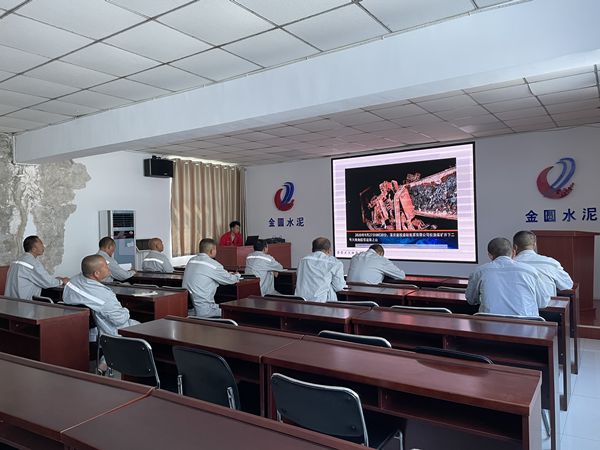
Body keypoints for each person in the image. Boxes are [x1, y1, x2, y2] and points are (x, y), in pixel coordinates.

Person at [63, 254, 140, 374]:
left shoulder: (72, 282)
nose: (108, 266)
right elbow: (119, 320)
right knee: (139, 328)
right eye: (105, 265)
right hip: (99, 332)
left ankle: (103, 364)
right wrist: (126, 310)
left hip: (79, 328)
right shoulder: (104, 295)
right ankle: (126, 368)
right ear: (96, 274)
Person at [465, 237, 549, 316]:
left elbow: (471, 300)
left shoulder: (479, 272)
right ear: (513, 253)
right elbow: (543, 303)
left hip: (490, 323)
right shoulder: (531, 271)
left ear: (490, 256)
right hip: (526, 324)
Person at [183, 238, 241, 317]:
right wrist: (236, 275)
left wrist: (224, 274)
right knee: (232, 312)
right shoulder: (213, 264)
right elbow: (231, 280)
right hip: (205, 310)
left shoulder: (191, 261)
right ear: (211, 251)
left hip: (188, 310)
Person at [5, 235, 70, 300]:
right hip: (25, 304)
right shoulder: (33, 264)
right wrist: (61, 281)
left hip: (10, 302)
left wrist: (52, 279)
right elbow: (48, 282)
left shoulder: (16, 262)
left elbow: (37, 278)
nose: (43, 247)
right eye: (41, 244)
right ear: (33, 249)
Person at [512, 230, 573, 297]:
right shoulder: (550, 263)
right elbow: (568, 284)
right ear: (534, 245)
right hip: (548, 303)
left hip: (518, 303)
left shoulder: (510, 264)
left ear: (515, 247)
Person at [295, 237, 345, 303]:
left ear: (312, 250)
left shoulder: (303, 260)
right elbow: (338, 287)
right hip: (323, 304)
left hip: (301, 303)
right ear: (329, 250)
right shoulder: (335, 263)